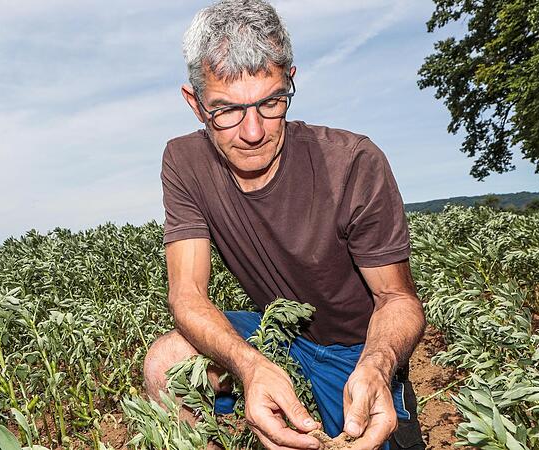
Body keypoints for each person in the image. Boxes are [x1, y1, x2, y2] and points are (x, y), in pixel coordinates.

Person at [143, 1, 427, 449]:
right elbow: (187, 295)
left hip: (357, 351)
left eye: (271, 102)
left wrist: (377, 364)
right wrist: (251, 366)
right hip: (280, 337)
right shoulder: (185, 162)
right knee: (168, 362)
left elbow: (397, 298)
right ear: (195, 104)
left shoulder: (352, 163)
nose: (253, 131)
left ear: (290, 81)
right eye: (226, 110)